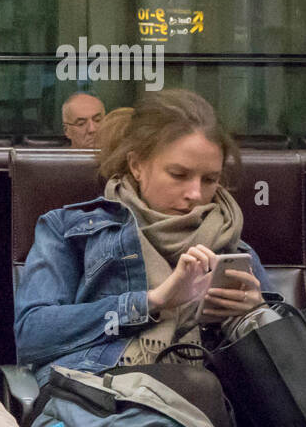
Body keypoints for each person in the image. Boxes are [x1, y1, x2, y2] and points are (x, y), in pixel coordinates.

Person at [16, 90, 279, 382]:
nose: (195, 194)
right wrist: (153, 301)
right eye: (178, 175)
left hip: (212, 404)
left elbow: (284, 370)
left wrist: (256, 317)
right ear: (137, 165)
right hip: (104, 399)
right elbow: (32, 335)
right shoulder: (71, 232)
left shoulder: (232, 246)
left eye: (210, 180)